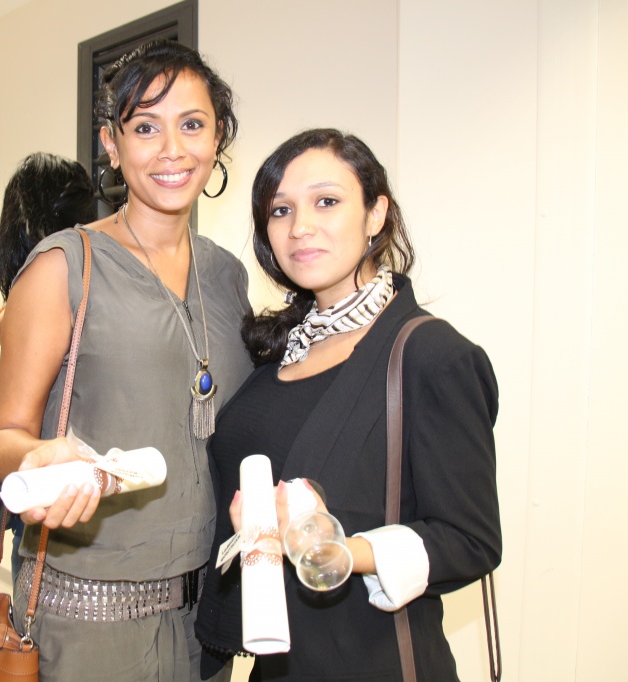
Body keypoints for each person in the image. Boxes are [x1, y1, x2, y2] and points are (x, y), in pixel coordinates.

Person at [0, 40, 254, 681]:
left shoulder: (228, 276)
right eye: (145, 127)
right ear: (111, 144)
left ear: (218, 138)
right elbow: (3, 436)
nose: (172, 150)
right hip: (92, 613)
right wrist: (36, 457)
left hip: (209, 612)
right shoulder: (64, 265)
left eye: (192, 124)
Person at [194, 129, 502, 681]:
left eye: (327, 202)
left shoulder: (431, 354)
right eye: (281, 210)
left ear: (375, 214)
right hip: (278, 663)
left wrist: (329, 546)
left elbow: (470, 540)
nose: (300, 227)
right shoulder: (280, 349)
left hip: (372, 660)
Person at [0, 151, 97, 582]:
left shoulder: (56, 288)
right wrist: (4, 377)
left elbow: (65, 418)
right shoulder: (68, 285)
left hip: (59, 503)